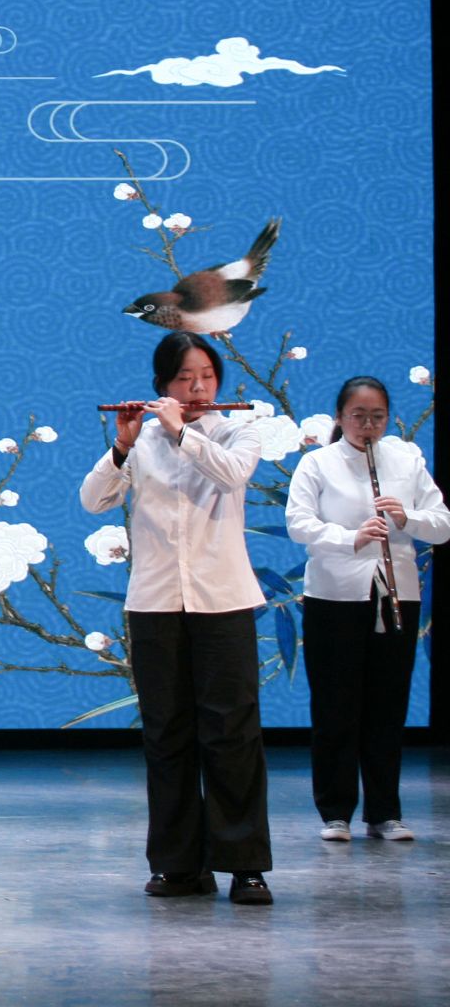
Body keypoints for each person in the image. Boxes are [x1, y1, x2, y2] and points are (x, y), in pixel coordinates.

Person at [80, 331, 273, 905]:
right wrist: (122, 445)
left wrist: (182, 432)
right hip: (156, 602)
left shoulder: (237, 429)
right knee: (166, 734)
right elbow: (93, 499)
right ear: (162, 384)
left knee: (232, 732)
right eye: (184, 378)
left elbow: (232, 475)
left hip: (224, 599)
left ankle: (245, 865)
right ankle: (178, 864)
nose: (197, 388)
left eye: (206, 377)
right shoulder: (141, 439)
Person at [285, 376, 447, 843]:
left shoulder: (406, 458)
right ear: (340, 417)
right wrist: (348, 538)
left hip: (396, 595)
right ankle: (335, 812)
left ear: (388, 418)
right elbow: (298, 523)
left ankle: (384, 813)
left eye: (377, 417)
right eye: (358, 416)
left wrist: (407, 518)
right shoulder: (318, 462)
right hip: (334, 595)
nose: (368, 425)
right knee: (335, 706)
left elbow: (442, 524)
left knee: (387, 706)